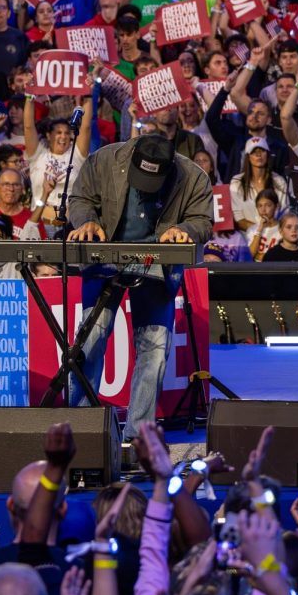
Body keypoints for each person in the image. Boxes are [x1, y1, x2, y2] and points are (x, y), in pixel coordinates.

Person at [66, 134, 213, 442]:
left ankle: (138, 435)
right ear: (130, 157)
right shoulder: (104, 160)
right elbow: (79, 200)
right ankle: (82, 430)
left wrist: (184, 229)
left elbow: (202, 221)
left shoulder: (194, 177)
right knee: (91, 337)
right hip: (105, 258)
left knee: (155, 348)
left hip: (158, 264)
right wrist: (87, 221)